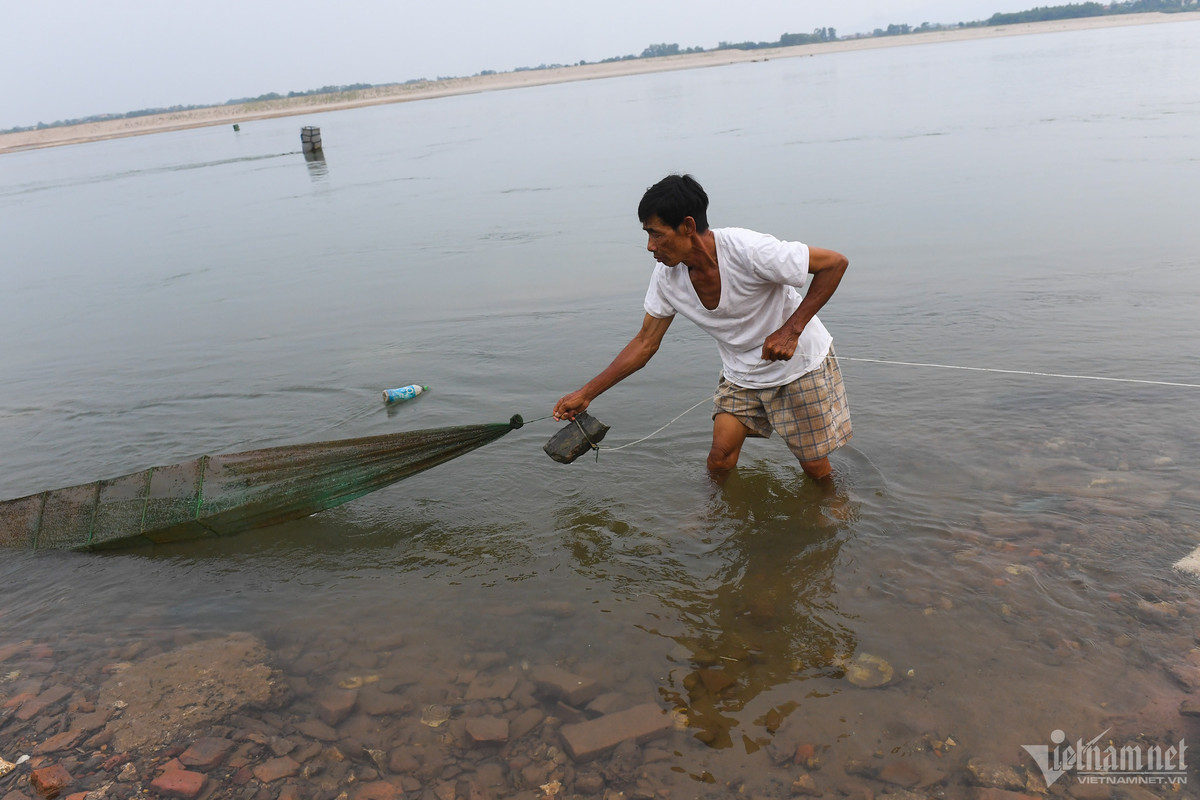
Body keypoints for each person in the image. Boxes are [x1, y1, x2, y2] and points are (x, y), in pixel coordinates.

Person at [553, 174, 851, 481]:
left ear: (688, 226)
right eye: (647, 234)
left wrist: (791, 331)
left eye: (657, 234)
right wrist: (586, 394)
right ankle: (715, 510)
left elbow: (834, 264)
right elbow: (645, 342)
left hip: (799, 367)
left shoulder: (748, 249)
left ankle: (836, 506)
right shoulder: (666, 277)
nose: (650, 246)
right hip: (742, 374)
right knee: (719, 460)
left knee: (815, 470)